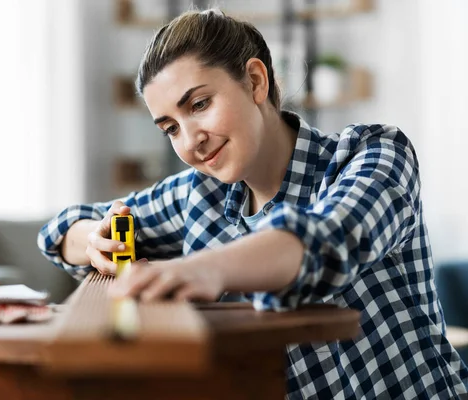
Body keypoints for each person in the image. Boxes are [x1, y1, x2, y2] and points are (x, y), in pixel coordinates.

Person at [37, 8, 468, 399]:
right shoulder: (196, 195)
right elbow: (60, 230)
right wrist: (93, 239)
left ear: (256, 81)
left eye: (200, 104)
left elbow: (328, 240)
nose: (190, 141)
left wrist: (206, 267)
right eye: (170, 127)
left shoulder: (372, 153)